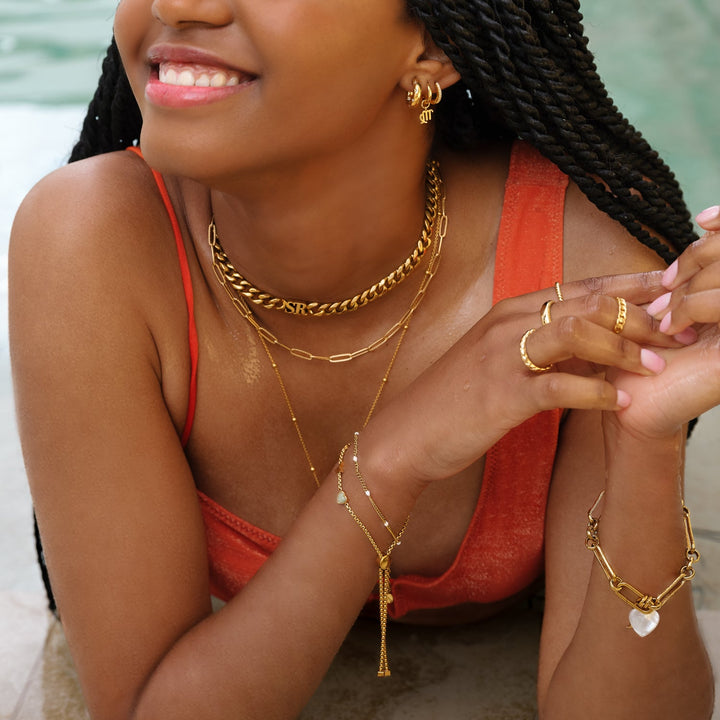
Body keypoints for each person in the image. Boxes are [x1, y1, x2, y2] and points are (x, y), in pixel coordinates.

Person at [8, 0, 718, 718]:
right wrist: (392, 459)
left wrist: (645, 439)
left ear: (434, 47)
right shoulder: (92, 245)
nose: (179, 4)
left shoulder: (583, 272)